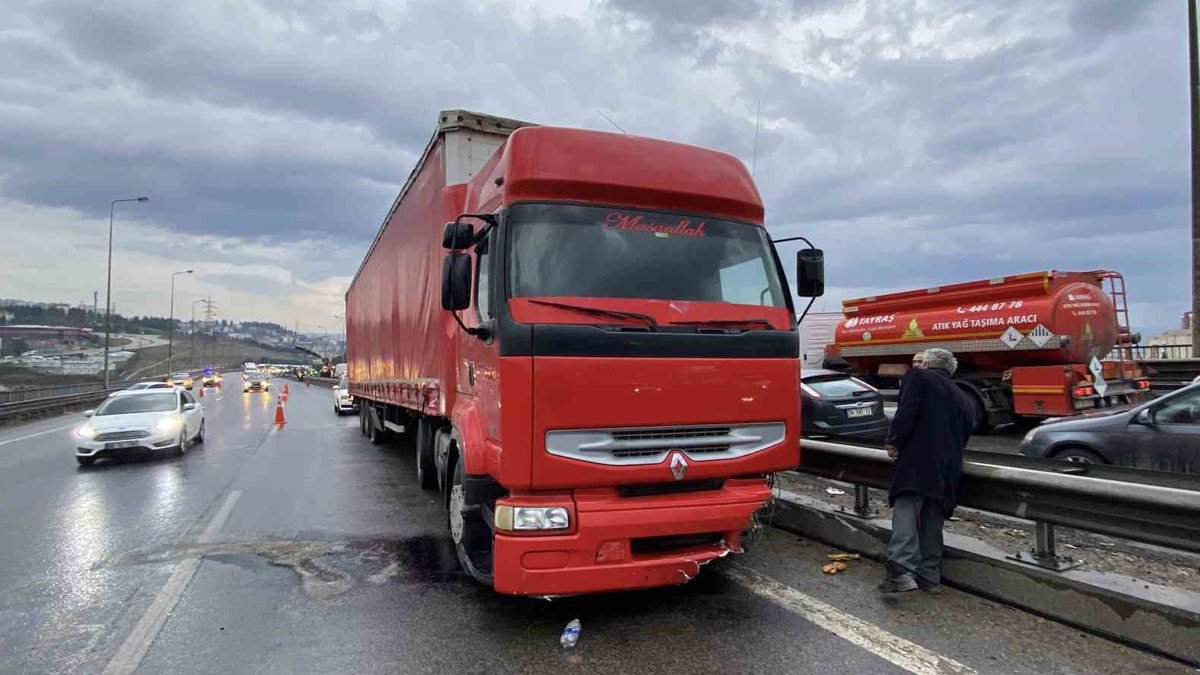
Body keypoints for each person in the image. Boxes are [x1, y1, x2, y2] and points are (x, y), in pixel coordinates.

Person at [879, 348, 974, 594]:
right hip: (949, 469)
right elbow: (963, 435)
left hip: (918, 461)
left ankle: (900, 570)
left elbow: (906, 413)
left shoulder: (918, 377)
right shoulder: (962, 396)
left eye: (920, 362)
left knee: (907, 510)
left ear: (928, 364)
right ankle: (929, 575)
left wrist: (894, 441)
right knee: (933, 517)